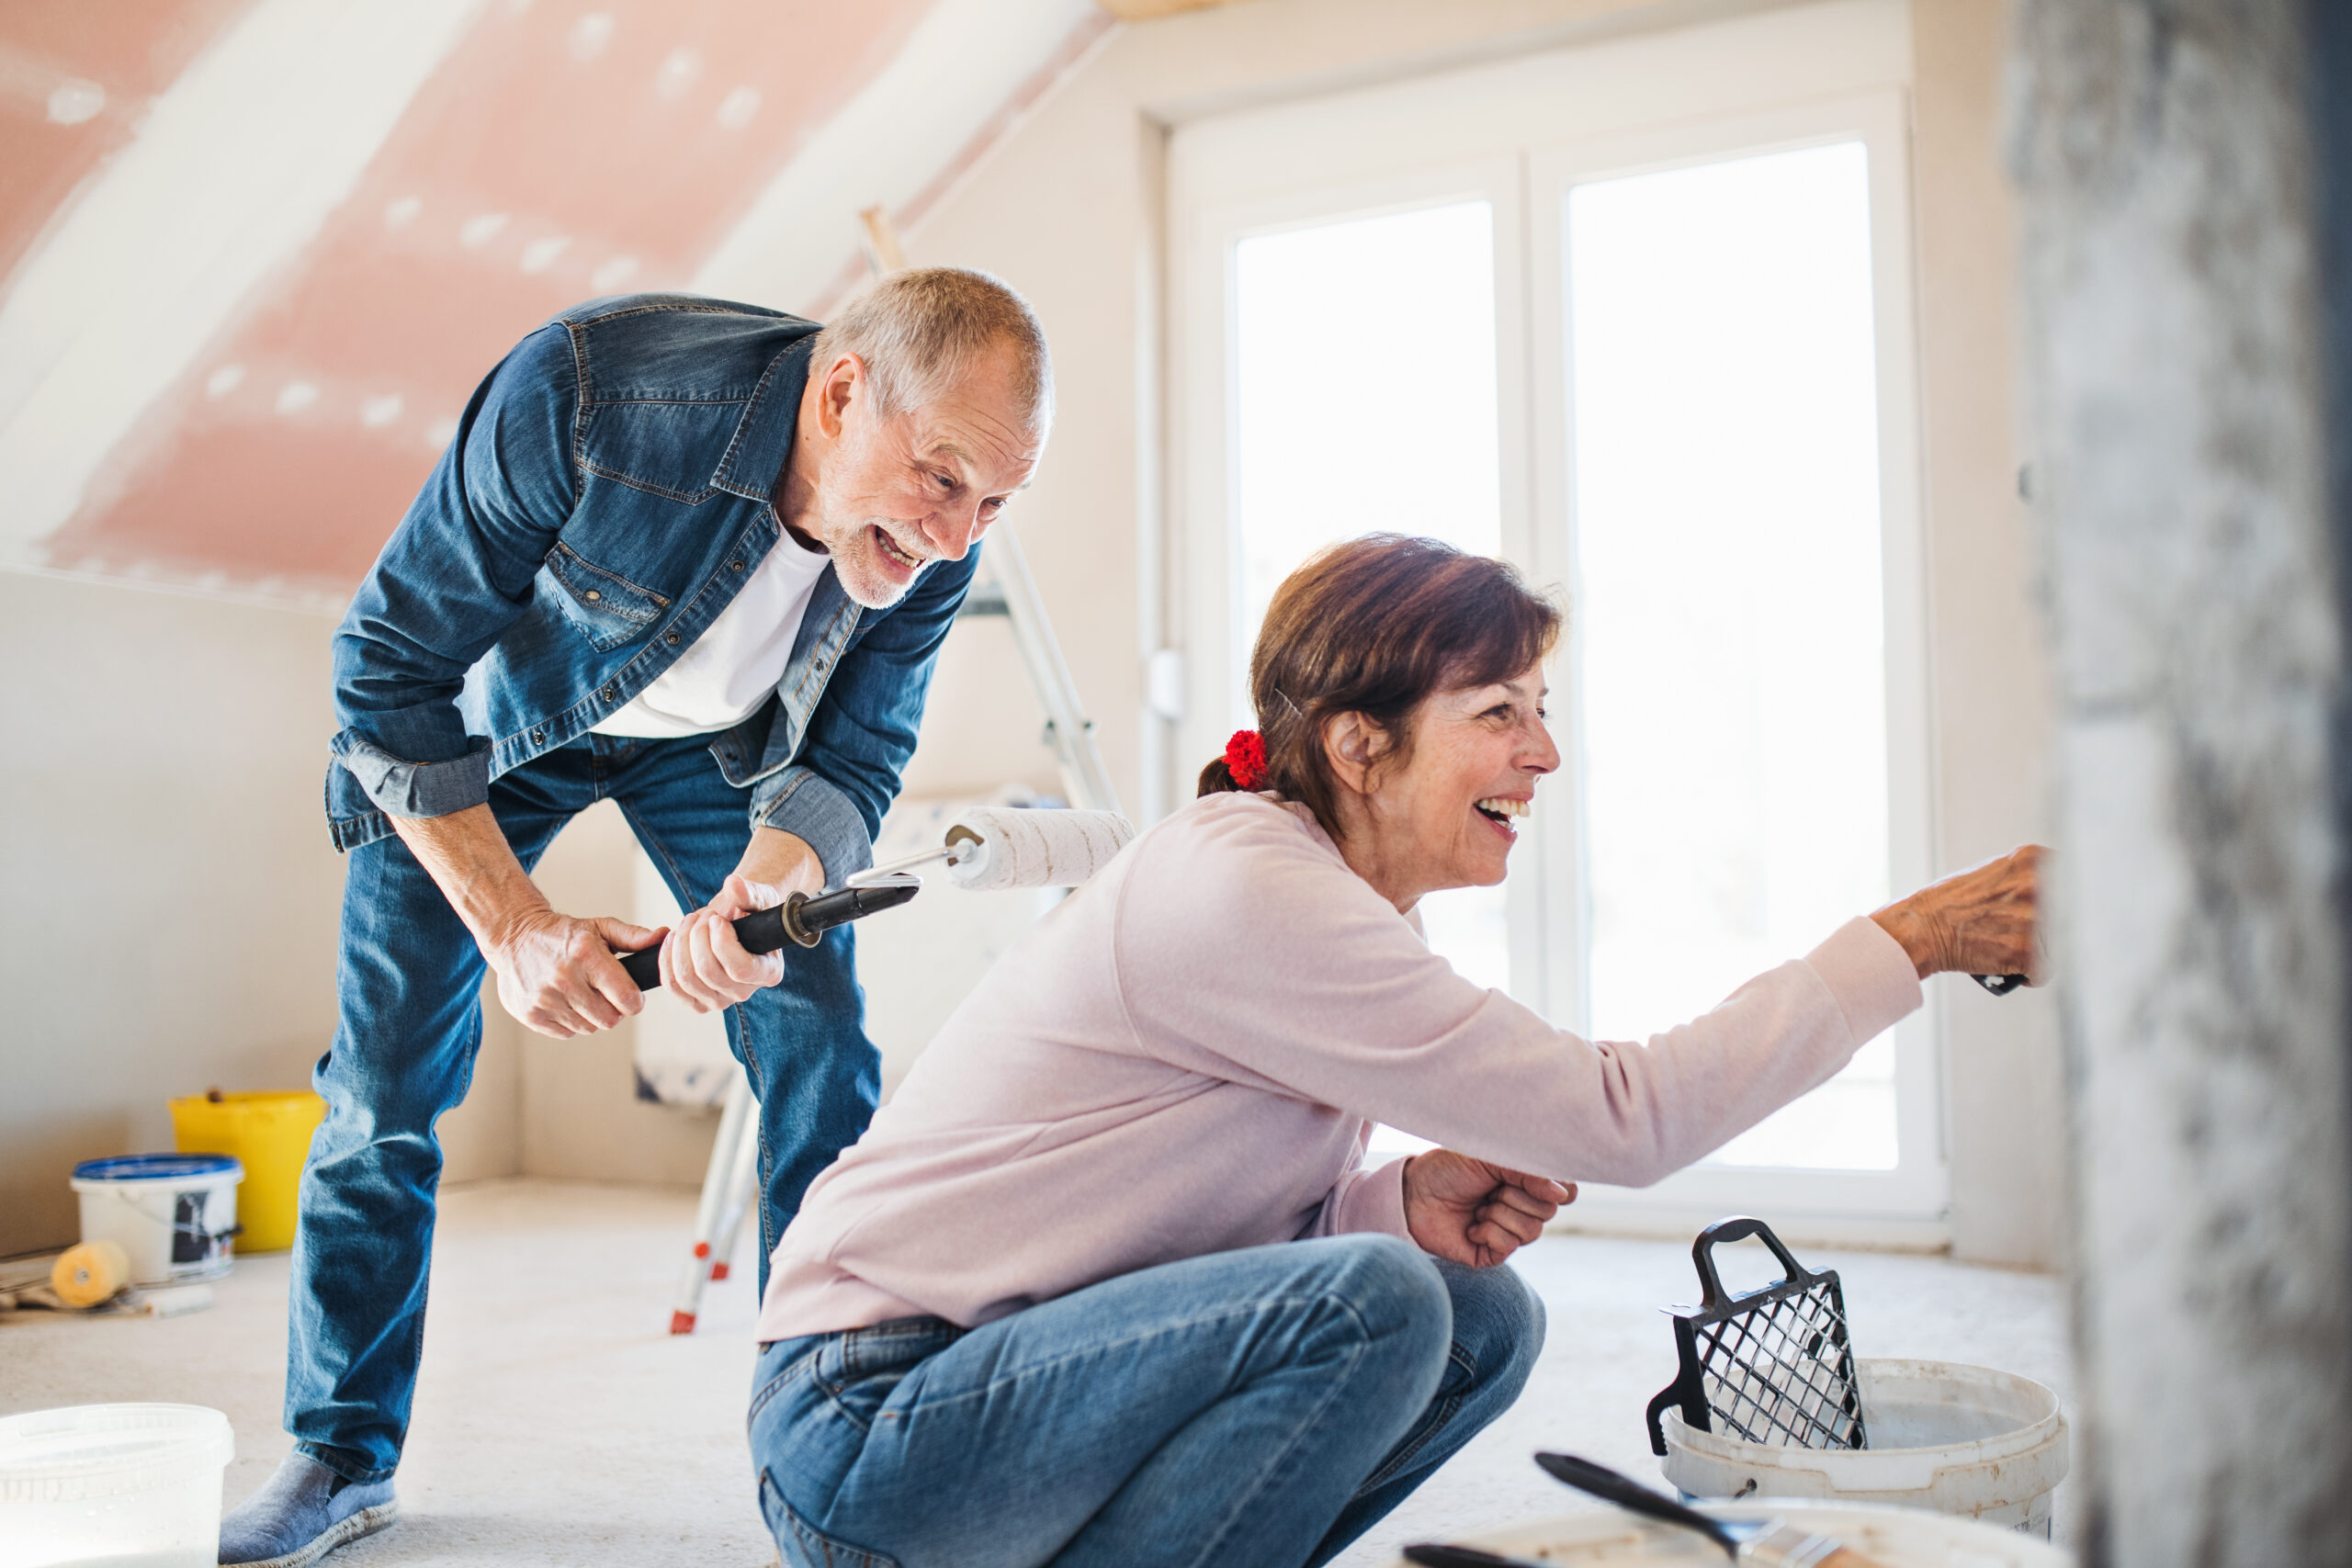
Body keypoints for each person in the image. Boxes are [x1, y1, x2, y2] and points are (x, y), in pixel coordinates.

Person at [743, 533, 2042, 1568]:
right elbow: (1623, 1119)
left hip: (989, 1393)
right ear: (1358, 745)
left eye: (1538, 708)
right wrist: (1910, 940)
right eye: (1496, 712)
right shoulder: (1249, 890)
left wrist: (1390, 1198)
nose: (1540, 753)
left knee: (1476, 1313)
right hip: (872, 1427)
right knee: (1380, 1302)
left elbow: (1146, 1235)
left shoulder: (1324, 898)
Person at [220, 271, 1052, 1568]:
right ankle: (341, 1454)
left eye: (995, 501)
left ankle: (830, 1435)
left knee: (818, 1046)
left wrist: (761, 890)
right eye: (943, 479)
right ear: (842, 395)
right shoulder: (590, 397)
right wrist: (513, 927)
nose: (957, 534)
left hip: (712, 755)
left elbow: (857, 755)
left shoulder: (943, 539)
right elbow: (385, 673)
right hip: (488, 730)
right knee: (382, 1088)